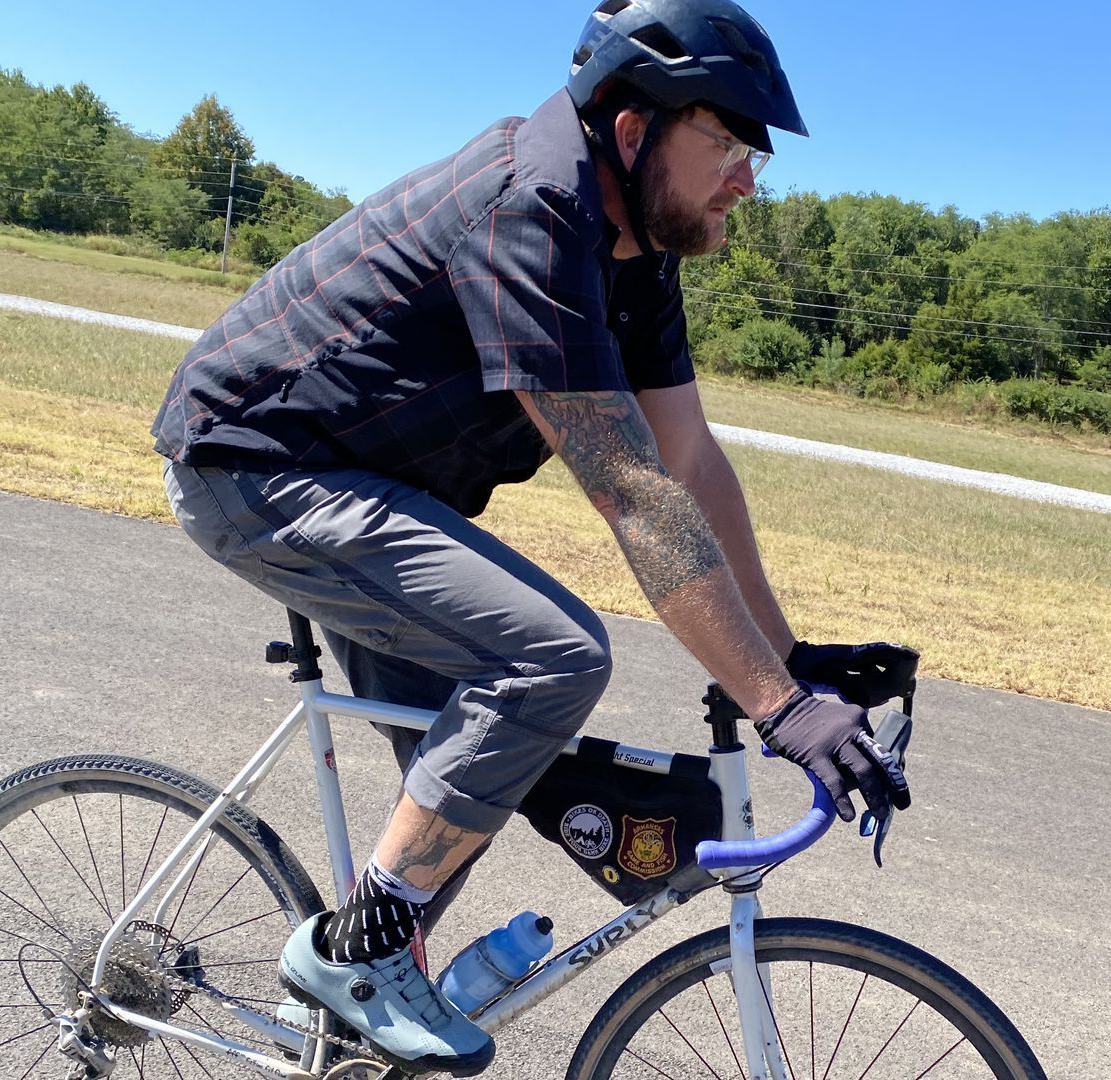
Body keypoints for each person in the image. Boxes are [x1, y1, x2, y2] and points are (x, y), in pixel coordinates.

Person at [150, 0, 912, 1073]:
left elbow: (689, 459)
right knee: (554, 656)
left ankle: (349, 1022)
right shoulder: (535, 206)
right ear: (633, 126)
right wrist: (781, 711)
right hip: (260, 469)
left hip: (374, 484)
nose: (750, 177)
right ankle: (358, 956)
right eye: (729, 143)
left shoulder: (638, 250)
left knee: (476, 775)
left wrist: (786, 661)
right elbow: (635, 495)